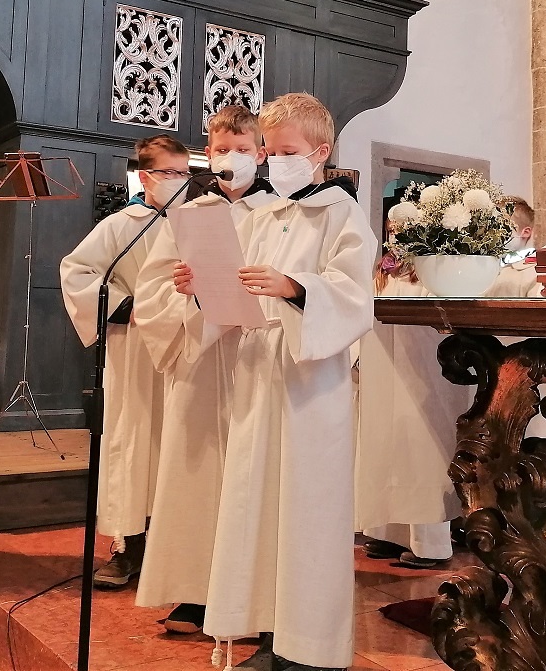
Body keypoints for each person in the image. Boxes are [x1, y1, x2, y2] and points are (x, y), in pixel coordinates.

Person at [201, 93, 376, 671]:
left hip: (310, 381)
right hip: (260, 371)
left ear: (321, 153)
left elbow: (355, 296)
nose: (274, 162)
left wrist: (296, 288)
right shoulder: (265, 215)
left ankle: (310, 649)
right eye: (270, 151)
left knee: (308, 511)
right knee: (257, 504)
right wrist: (204, 286)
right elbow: (241, 289)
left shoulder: (341, 213)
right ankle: (270, 634)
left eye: (286, 151)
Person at [133, 106, 276, 634]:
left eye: (242, 148)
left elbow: (295, 278)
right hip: (201, 357)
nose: (231, 157)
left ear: (260, 153)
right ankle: (194, 591)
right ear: (207, 155)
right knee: (196, 475)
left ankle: (253, 598)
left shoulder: (279, 211)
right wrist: (183, 289)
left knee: (253, 476)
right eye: (221, 149)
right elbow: (151, 289)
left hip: (258, 354)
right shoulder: (189, 213)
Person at [59, 134, 190, 587]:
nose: (180, 182)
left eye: (185, 174)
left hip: (185, 347)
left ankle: (176, 548)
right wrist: (125, 306)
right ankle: (129, 545)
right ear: (146, 177)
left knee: (179, 444)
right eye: (170, 173)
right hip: (134, 348)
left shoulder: (197, 222)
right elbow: (77, 271)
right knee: (134, 441)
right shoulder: (122, 225)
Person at [355, 203, 473, 570]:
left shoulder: (431, 268)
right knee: (387, 447)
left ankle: (430, 543)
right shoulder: (382, 268)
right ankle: (388, 532)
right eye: (391, 227)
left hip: (422, 369)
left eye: (403, 227)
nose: (396, 234)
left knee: (420, 453)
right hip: (384, 368)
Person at [484, 195, 541, 298]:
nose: (493, 234)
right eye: (490, 227)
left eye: (502, 227)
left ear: (525, 232)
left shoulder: (534, 273)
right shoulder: (483, 265)